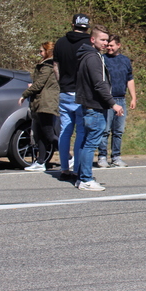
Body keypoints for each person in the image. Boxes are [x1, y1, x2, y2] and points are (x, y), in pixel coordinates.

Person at [75, 25, 123, 191]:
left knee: (86, 142)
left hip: (90, 105)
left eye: (106, 40)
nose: (105, 43)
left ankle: (82, 176)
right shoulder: (93, 58)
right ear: (92, 39)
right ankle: (86, 179)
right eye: (102, 40)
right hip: (94, 107)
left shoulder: (88, 55)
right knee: (90, 144)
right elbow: (99, 84)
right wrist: (113, 103)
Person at [53, 13, 91, 181]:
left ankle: (63, 169)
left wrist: (61, 83)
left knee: (65, 131)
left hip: (64, 91)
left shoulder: (60, 42)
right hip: (81, 92)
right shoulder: (88, 44)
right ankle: (76, 169)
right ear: (87, 27)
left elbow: (55, 66)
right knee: (81, 133)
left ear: (72, 24)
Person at [18, 42, 60, 171]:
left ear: (48, 52)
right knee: (40, 134)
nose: (40, 53)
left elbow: (39, 84)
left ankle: (69, 158)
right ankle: (40, 161)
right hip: (40, 102)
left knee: (49, 134)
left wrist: (25, 94)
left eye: (42, 51)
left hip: (46, 103)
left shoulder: (48, 65)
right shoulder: (46, 64)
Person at [97, 35, 136, 168]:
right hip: (107, 100)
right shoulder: (102, 59)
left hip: (121, 99)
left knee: (118, 131)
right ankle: (102, 156)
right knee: (105, 130)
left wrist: (133, 97)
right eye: (108, 45)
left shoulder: (125, 60)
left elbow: (129, 79)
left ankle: (116, 156)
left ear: (118, 45)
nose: (109, 48)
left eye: (112, 45)